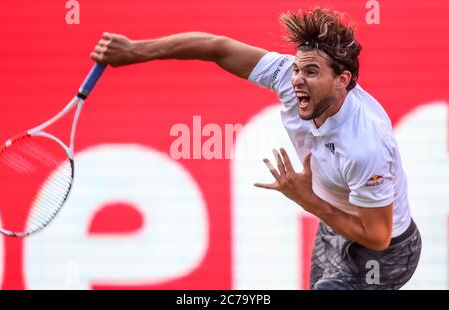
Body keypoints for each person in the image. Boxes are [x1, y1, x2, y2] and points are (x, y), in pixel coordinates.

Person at [91, 7, 421, 290]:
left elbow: (378, 237)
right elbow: (216, 47)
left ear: (343, 80)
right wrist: (137, 51)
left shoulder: (365, 145)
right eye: (296, 68)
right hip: (336, 228)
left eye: (310, 72)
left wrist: (309, 200)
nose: (296, 80)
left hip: (387, 253)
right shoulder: (289, 81)